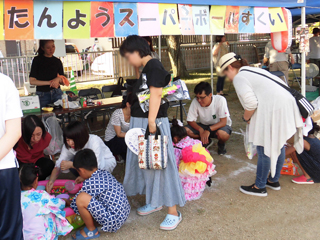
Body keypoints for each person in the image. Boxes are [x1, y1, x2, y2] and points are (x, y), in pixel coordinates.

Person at [120, 35, 185, 230]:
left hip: (153, 124)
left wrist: (151, 123)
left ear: (136, 51)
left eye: (128, 55)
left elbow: (156, 93)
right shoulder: (148, 68)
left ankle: (173, 211)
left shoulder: (154, 66)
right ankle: (155, 201)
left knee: (162, 166)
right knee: (148, 164)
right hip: (145, 123)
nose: (128, 60)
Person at [219, 52, 303, 197]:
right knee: (279, 143)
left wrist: (246, 118)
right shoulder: (252, 70)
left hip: (275, 109)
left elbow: (251, 103)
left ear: (231, 67)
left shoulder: (240, 77)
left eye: (225, 73)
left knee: (264, 148)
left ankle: (259, 186)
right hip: (285, 106)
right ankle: (273, 180)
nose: (227, 77)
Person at [70, 149, 130, 239]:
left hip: (114, 220)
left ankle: (91, 231)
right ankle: (96, 221)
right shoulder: (104, 173)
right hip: (123, 213)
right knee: (89, 197)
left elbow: (76, 204)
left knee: (81, 198)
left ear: (82, 171)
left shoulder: (90, 183)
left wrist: (67, 202)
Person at [46, 121, 116, 192]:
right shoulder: (68, 146)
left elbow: (97, 167)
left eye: (73, 140)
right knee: (66, 163)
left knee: (74, 164)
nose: (70, 143)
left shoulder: (94, 141)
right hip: (85, 165)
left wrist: (73, 165)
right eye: (68, 140)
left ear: (81, 137)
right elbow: (58, 164)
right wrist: (51, 181)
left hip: (104, 163)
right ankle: (85, 178)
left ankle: (92, 182)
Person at [20, 164, 73, 240]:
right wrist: (66, 201)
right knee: (51, 211)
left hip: (22, 236)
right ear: (36, 180)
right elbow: (60, 204)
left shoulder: (15, 197)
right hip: (42, 237)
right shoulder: (41, 195)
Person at [0, 73, 23, 239]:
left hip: (4, 168)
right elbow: (14, 132)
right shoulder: (4, 82)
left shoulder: (4, 83)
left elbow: (14, 132)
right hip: (3, 166)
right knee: (9, 232)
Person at [171, 119, 216, 201]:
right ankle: (197, 190)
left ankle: (183, 191)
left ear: (175, 139)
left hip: (188, 175)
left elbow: (174, 163)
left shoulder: (178, 148)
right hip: (200, 172)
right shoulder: (196, 142)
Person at [185, 81, 232, 154]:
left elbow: (223, 122)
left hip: (219, 126)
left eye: (202, 98)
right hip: (203, 125)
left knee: (223, 134)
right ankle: (207, 140)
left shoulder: (220, 100)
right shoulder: (195, 101)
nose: (199, 100)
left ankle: (221, 144)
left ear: (210, 95)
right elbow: (190, 120)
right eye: (197, 97)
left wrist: (208, 130)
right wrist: (200, 129)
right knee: (185, 131)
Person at [15, 115, 55, 180]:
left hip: (37, 163)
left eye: (38, 134)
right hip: (21, 165)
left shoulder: (46, 138)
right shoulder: (16, 139)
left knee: (48, 165)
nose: (35, 138)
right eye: (31, 135)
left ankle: (37, 182)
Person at [29, 40, 65, 108]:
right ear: (42, 48)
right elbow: (32, 81)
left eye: (53, 46)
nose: (51, 49)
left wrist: (58, 79)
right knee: (45, 115)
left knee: (60, 115)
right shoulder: (37, 60)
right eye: (48, 48)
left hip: (57, 92)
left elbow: (64, 81)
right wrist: (50, 82)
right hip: (42, 93)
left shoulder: (57, 61)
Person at [286, 120, 320, 184]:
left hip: (318, 173)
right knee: (296, 149)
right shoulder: (312, 138)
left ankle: (308, 177)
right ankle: (308, 174)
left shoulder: (303, 142)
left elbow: (285, 153)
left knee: (297, 150)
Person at [104, 94, 132, 161]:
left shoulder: (134, 114)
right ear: (128, 104)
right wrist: (133, 134)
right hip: (111, 140)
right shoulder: (117, 114)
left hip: (124, 137)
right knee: (128, 143)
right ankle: (123, 157)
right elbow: (119, 134)